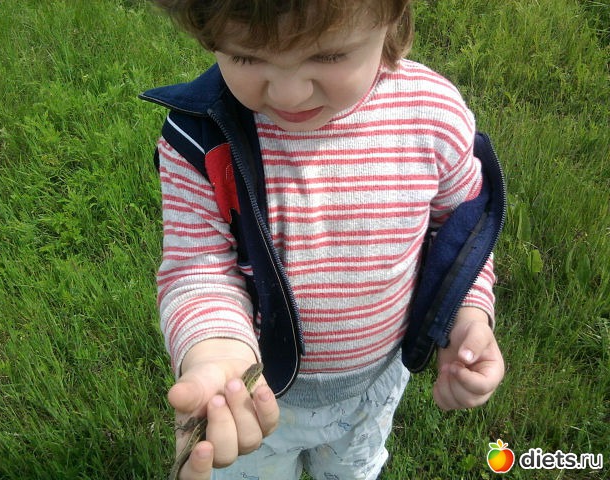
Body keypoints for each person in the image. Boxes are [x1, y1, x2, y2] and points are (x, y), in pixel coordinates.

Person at [140, 1, 506, 479]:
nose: (289, 93)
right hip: (257, 400)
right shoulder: (203, 136)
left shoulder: (431, 114)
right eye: (247, 57)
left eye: (329, 55)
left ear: (391, 20)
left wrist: (467, 314)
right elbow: (199, 267)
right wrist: (218, 353)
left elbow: (459, 231)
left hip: (372, 388)